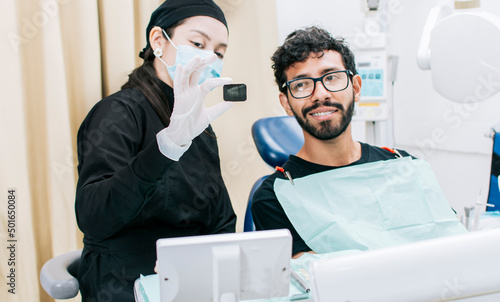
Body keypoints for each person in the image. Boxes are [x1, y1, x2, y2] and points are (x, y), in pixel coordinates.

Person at [251, 26, 466, 259]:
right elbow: (315, 281)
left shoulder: (404, 166)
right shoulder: (275, 197)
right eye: (302, 84)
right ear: (286, 103)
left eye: (331, 78)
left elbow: (452, 245)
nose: (320, 94)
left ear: (355, 88)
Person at [75, 1, 237, 300]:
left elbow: (221, 219)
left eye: (219, 52)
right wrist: (167, 147)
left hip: (193, 278)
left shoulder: (199, 125)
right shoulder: (116, 114)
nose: (208, 57)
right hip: (124, 277)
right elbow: (94, 217)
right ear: (159, 41)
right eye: (197, 43)